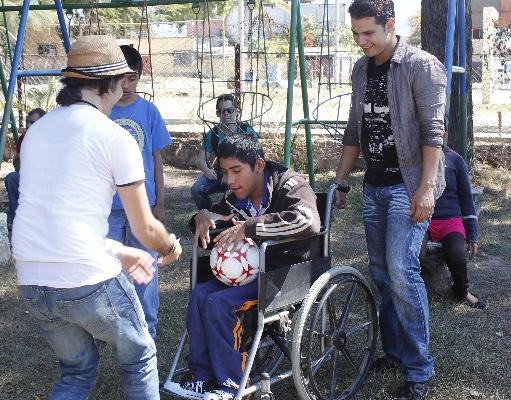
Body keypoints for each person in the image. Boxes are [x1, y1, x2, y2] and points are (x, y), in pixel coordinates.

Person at [11, 35, 182, 400]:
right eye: (122, 79)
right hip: (84, 277)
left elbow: (59, 220)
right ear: (110, 83)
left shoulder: (37, 132)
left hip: (30, 277)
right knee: (139, 356)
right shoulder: (112, 136)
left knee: (76, 370)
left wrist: (120, 252)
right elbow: (145, 227)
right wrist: (169, 245)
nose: (125, 87)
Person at [332, 0, 446, 398]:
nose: (361, 41)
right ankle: (395, 352)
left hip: (409, 184)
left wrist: (427, 188)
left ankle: (418, 370)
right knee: (382, 274)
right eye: (355, 34)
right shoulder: (361, 69)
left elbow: (434, 133)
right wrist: (342, 180)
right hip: (375, 185)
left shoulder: (421, 65)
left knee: (402, 272)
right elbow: (354, 126)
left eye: (369, 33)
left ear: (390, 25)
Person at [165, 135, 320, 400]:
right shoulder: (235, 197)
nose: (230, 180)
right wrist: (200, 218)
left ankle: (230, 385)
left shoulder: (290, 185)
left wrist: (251, 226)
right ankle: (202, 378)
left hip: (283, 273)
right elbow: (215, 224)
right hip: (248, 272)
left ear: (259, 165)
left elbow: (308, 222)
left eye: (236, 171)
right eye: (225, 172)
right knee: (201, 295)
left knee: (218, 303)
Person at [107, 44, 172, 339]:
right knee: (107, 267)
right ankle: (113, 327)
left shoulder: (148, 111)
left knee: (145, 266)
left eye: (132, 78)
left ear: (139, 77)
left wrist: (159, 202)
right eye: (121, 79)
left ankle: (148, 329)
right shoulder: (100, 113)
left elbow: (157, 159)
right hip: (106, 206)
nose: (127, 86)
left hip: (142, 206)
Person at [421, 145, 487, 309]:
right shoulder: (415, 156)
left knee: (456, 254)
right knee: (415, 253)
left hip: (450, 220)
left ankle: (462, 291)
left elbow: (466, 198)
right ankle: (415, 293)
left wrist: (472, 235)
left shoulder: (455, 159)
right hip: (421, 218)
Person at [191, 93, 258, 210]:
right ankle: (209, 215)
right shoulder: (213, 133)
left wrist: (231, 174)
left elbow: (257, 155)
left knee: (232, 191)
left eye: (229, 110)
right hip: (220, 172)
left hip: (241, 172)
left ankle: (231, 217)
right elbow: (200, 160)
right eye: (222, 111)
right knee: (197, 189)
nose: (226, 114)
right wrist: (206, 169)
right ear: (218, 114)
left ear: (236, 112)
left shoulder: (246, 130)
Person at [4, 107, 46, 233]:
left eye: (32, 122)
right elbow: (17, 167)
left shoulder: (52, 137)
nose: (28, 125)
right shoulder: (24, 138)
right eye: (27, 122)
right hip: (29, 175)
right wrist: (19, 157)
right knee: (12, 178)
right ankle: (17, 220)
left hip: (49, 178)